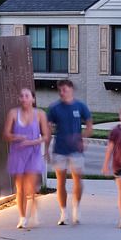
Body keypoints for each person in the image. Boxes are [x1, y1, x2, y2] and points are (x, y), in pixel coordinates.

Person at [45, 78, 93, 225]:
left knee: (78, 179)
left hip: (75, 150)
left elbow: (89, 126)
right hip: (59, 149)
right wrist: (46, 149)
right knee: (61, 181)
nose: (62, 93)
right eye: (60, 90)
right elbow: (48, 129)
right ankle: (63, 213)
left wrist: (81, 138)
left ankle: (76, 209)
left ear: (71, 89)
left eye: (64, 90)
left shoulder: (80, 106)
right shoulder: (54, 108)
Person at [2, 87, 46, 230]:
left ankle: (34, 210)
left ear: (33, 99)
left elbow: (46, 136)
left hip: (33, 152)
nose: (24, 98)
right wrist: (17, 137)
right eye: (22, 96)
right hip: (18, 153)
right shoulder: (13, 114)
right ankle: (22, 217)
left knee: (31, 186)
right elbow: (6, 135)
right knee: (20, 187)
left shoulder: (40, 114)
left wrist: (32, 142)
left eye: (27, 96)